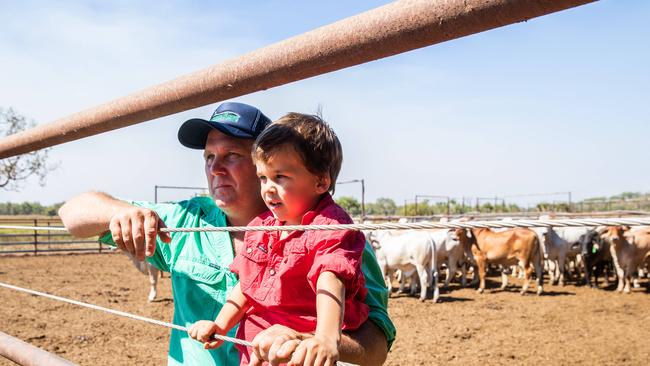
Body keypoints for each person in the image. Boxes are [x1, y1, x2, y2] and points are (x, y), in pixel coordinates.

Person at [58, 102, 395, 366]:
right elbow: (72, 213)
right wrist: (121, 213)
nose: (214, 168)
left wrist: (310, 339)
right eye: (209, 156)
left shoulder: (328, 231)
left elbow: (376, 348)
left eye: (232, 155)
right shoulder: (185, 220)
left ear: (264, 159)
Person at [189, 113, 368, 365]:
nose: (267, 188)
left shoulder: (329, 225)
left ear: (320, 181)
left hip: (302, 354)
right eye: (263, 177)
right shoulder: (261, 226)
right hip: (255, 352)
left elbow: (331, 276)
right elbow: (247, 286)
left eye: (280, 177)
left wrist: (327, 338)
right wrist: (220, 324)